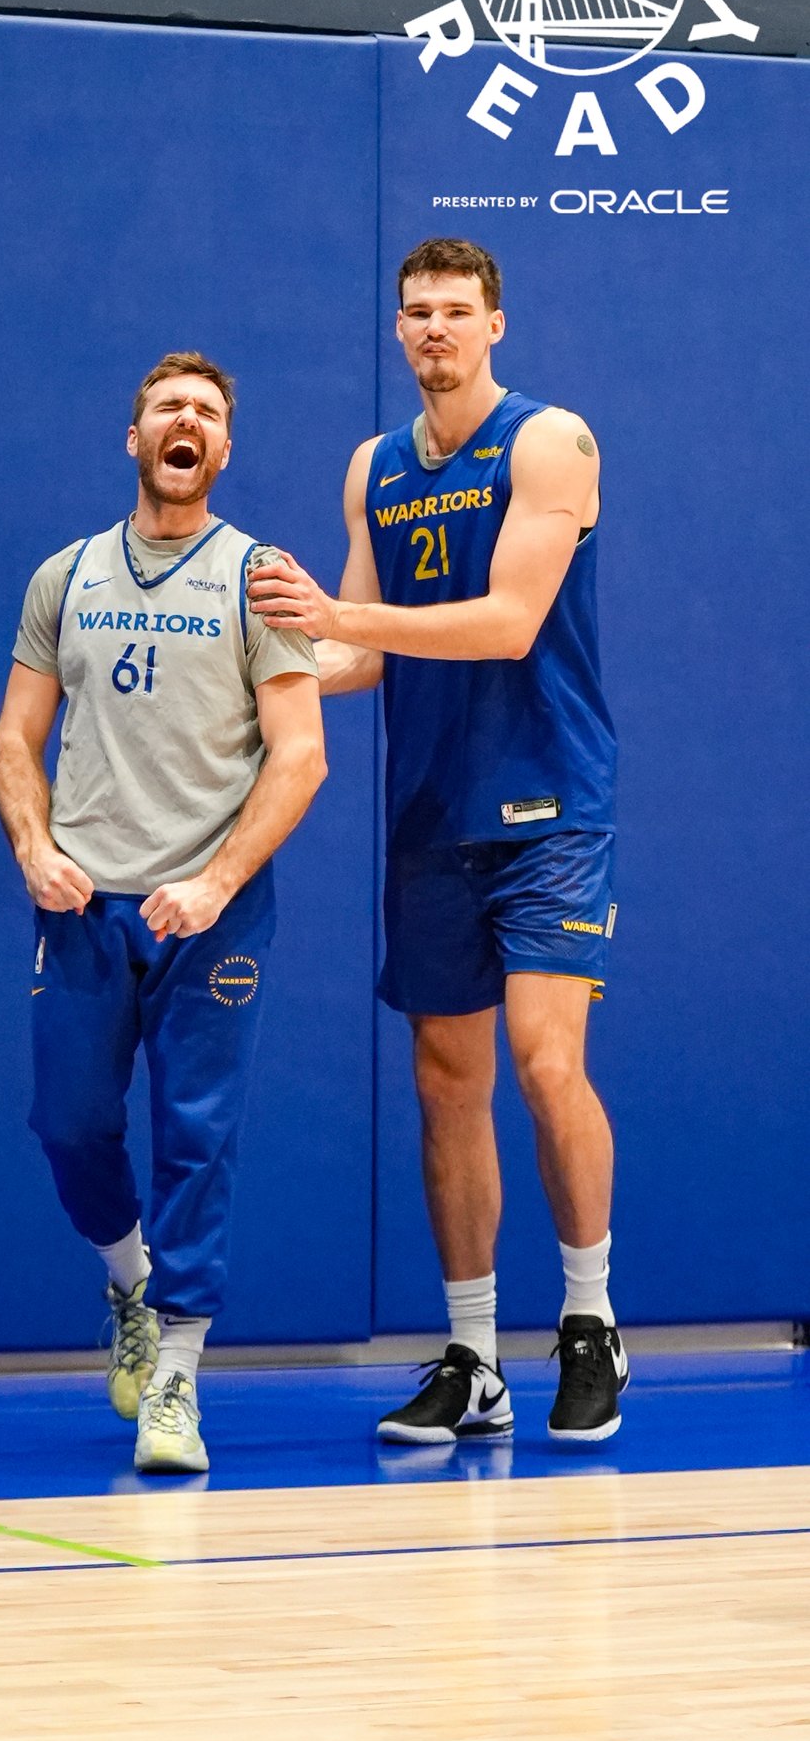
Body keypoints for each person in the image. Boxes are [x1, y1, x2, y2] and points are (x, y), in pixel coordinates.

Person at [250, 237, 625, 1443]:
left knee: (546, 1062)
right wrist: (253, 667)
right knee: (445, 1083)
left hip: (548, 805)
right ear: (397, 327)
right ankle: (475, 1355)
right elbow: (358, 652)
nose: (434, 329)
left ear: (495, 324)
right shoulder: (376, 465)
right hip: (428, 813)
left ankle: (589, 1318)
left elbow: (510, 622)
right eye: (416, 311)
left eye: (456, 310)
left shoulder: (549, 441)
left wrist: (341, 613)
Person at [0, 351, 326, 1474]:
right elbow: (15, 738)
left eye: (208, 413)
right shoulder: (66, 575)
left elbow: (301, 755)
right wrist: (34, 848)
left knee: (198, 1136)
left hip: (209, 910)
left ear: (225, 448)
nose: (188, 421)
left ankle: (177, 1374)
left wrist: (217, 881)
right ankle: (130, 1281)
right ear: (133, 437)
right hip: (88, 902)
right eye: (168, 407)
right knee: (68, 1123)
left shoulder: (259, 577)